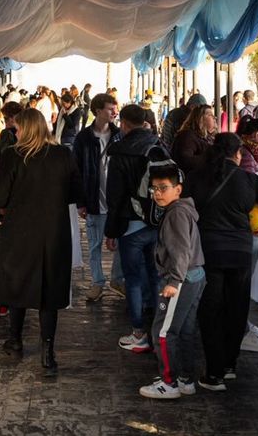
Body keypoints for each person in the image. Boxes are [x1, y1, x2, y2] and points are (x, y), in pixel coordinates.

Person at [186, 134, 258, 390]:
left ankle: (214, 373)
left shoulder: (196, 178)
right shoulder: (248, 180)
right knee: (236, 308)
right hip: (240, 253)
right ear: (238, 155)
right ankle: (230, 365)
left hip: (208, 252)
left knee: (210, 311)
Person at [0, 109, 81, 376]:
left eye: (17, 128)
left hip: (19, 231)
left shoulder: (12, 156)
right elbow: (76, 191)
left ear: (26, 129)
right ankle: (47, 353)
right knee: (49, 292)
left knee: (17, 283)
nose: (14, 132)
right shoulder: (63, 155)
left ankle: (15, 340)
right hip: (53, 232)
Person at [105, 104, 172, 354]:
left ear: (123, 123)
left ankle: (138, 334)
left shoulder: (120, 151)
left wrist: (111, 231)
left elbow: (115, 195)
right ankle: (158, 331)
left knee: (133, 280)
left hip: (130, 226)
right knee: (156, 277)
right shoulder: (158, 146)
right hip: (156, 223)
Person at [139, 164, 206, 400]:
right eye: (154, 188)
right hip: (195, 275)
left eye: (163, 188)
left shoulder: (176, 213)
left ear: (177, 189)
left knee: (163, 331)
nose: (157, 193)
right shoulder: (181, 209)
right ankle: (185, 379)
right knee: (185, 330)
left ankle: (169, 382)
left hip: (182, 278)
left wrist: (173, 282)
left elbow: (180, 251)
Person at [72, 93, 121, 303]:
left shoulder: (119, 135)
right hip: (94, 199)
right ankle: (97, 282)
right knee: (94, 245)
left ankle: (117, 279)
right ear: (98, 110)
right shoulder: (83, 138)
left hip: (117, 201)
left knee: (120, 244)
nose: (114, 112)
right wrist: (80, 202)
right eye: (110, 108)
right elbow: (76, 170)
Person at [170, 106, 216, 176]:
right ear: (200, 119)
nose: (214, 118)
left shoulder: (208, 137)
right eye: (210, 115)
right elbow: (185, 161)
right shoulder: (187, 136)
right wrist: (211, 157)